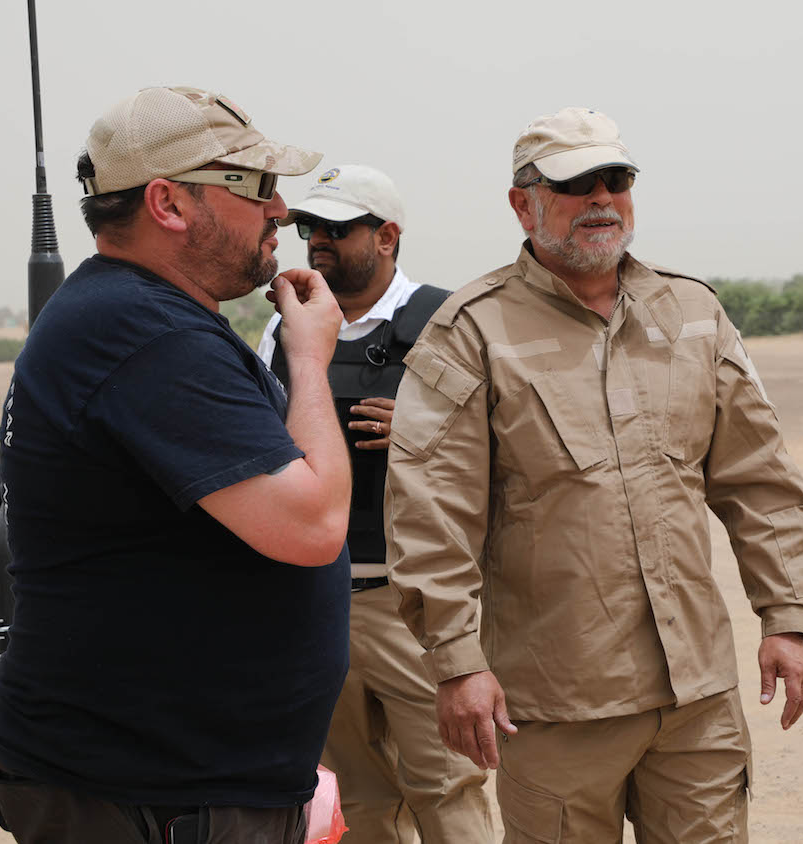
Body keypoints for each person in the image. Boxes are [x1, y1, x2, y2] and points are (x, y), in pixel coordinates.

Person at [384, 107, 803, 841]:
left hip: (696, 699)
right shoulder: (473, 330)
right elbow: (431, 513)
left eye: (615, 180)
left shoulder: (692, 313)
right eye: (574, 184)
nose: (601, 199)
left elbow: (761, 480)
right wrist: (458, 664)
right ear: (522, 204)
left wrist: (786, 617)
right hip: (556, 706)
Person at [0, 86, 351, 843]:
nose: (280, 209)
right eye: (256, 186)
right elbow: (312, 524)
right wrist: (312, 359)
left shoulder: (139, 316)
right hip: (151, 792)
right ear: (169, 204)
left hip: (174, 779)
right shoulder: (145, 334)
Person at [257, 163, 492, 842]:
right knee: (354, 798)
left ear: (387, 236)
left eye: (337, 228)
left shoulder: (448, 323)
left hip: (414, 604)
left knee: (447, 788)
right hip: (318, 602)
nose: (316, 240)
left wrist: (421, 430)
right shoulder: (284, 331)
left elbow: (513, 442)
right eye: (308, 227)